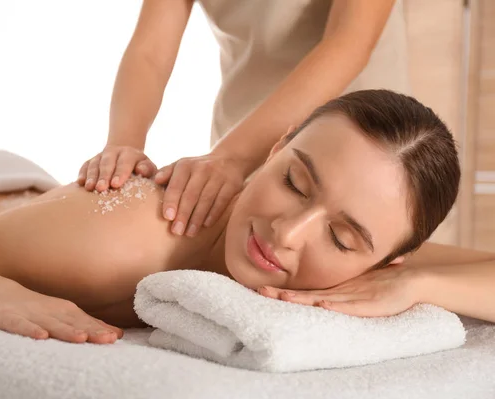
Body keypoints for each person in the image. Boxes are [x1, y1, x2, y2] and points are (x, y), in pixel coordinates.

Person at [0, 91, 494, 348]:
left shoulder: (369, 266)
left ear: (386, 258)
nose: (288, 233)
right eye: (293, 180)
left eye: (341, 238)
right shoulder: (122, 237)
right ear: (273, 148)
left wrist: (417, 285)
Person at [76, 0, 409, 240]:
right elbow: (151, 51)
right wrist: (123, 144)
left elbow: (349, 41)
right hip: (243, 129)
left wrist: (231, 156)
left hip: (358, 137)